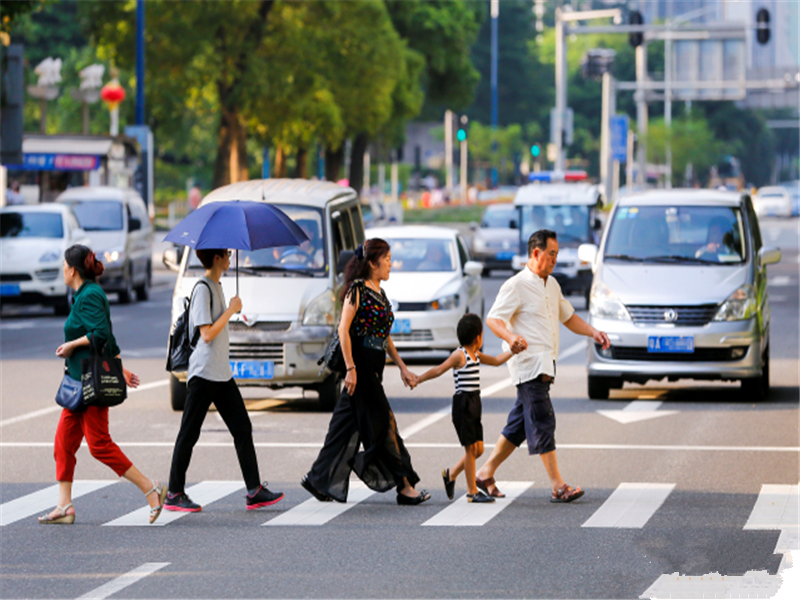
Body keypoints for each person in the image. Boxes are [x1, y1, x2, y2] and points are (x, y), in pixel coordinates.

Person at [474, 230, 611, 503]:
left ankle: (484, 473)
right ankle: (558, 485)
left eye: (557, 255)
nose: (555, 260)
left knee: (519, 426)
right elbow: (493, 319)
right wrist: (511, 337)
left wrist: (593, 332)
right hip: (528, 367)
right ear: (536, 253)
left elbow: (568, 317)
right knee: (543, 420)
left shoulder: (553, 285)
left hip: (545, 366)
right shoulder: (516, 285)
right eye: (551, 254)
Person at [39, 245, 167, 525]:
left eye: (63, 265)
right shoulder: (82, 294)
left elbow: (101, 333)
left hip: (90, 385)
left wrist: (72, 345)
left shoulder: (91, 295)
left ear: (72, 270)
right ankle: (65, 506)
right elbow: (109, 338)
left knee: (99, 445)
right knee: (63, 442)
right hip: (77, 384)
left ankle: (150, 487)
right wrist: (121, 368)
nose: (62, 269)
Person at [301, 238, 430, 506]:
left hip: (373, 368)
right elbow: (343, 329)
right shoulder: (357, 290)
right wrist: (350, 368)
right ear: (372, 263)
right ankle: (404, 485)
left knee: (343, 426)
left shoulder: (379, 293)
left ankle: (319, 480)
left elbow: (384, 337)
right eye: (387, 260)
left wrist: (402, 367)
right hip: (359, 367)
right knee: (385, 423)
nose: (391, 265)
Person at [165, 248, 284, 512]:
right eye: (227, 253)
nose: (231, 256)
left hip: (221, 373)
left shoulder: (217, 286)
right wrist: (231, 310)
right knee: (189, 433)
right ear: (217, 258)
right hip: (204, 373)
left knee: (242, 427)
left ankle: (254, 490)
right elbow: (206, 334)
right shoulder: (203, 289)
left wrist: (233, 309)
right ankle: (174, 492)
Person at [411, 313, 517, 503]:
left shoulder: (475, 355)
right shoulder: (459, 355)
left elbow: (496, 361)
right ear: (478, 337)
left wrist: (513, 351)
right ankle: (471, 491)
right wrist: (419, 379)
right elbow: (438, 369)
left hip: (475, 402)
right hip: (463, 404)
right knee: (470, 450)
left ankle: (451, 473)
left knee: (479, 449)